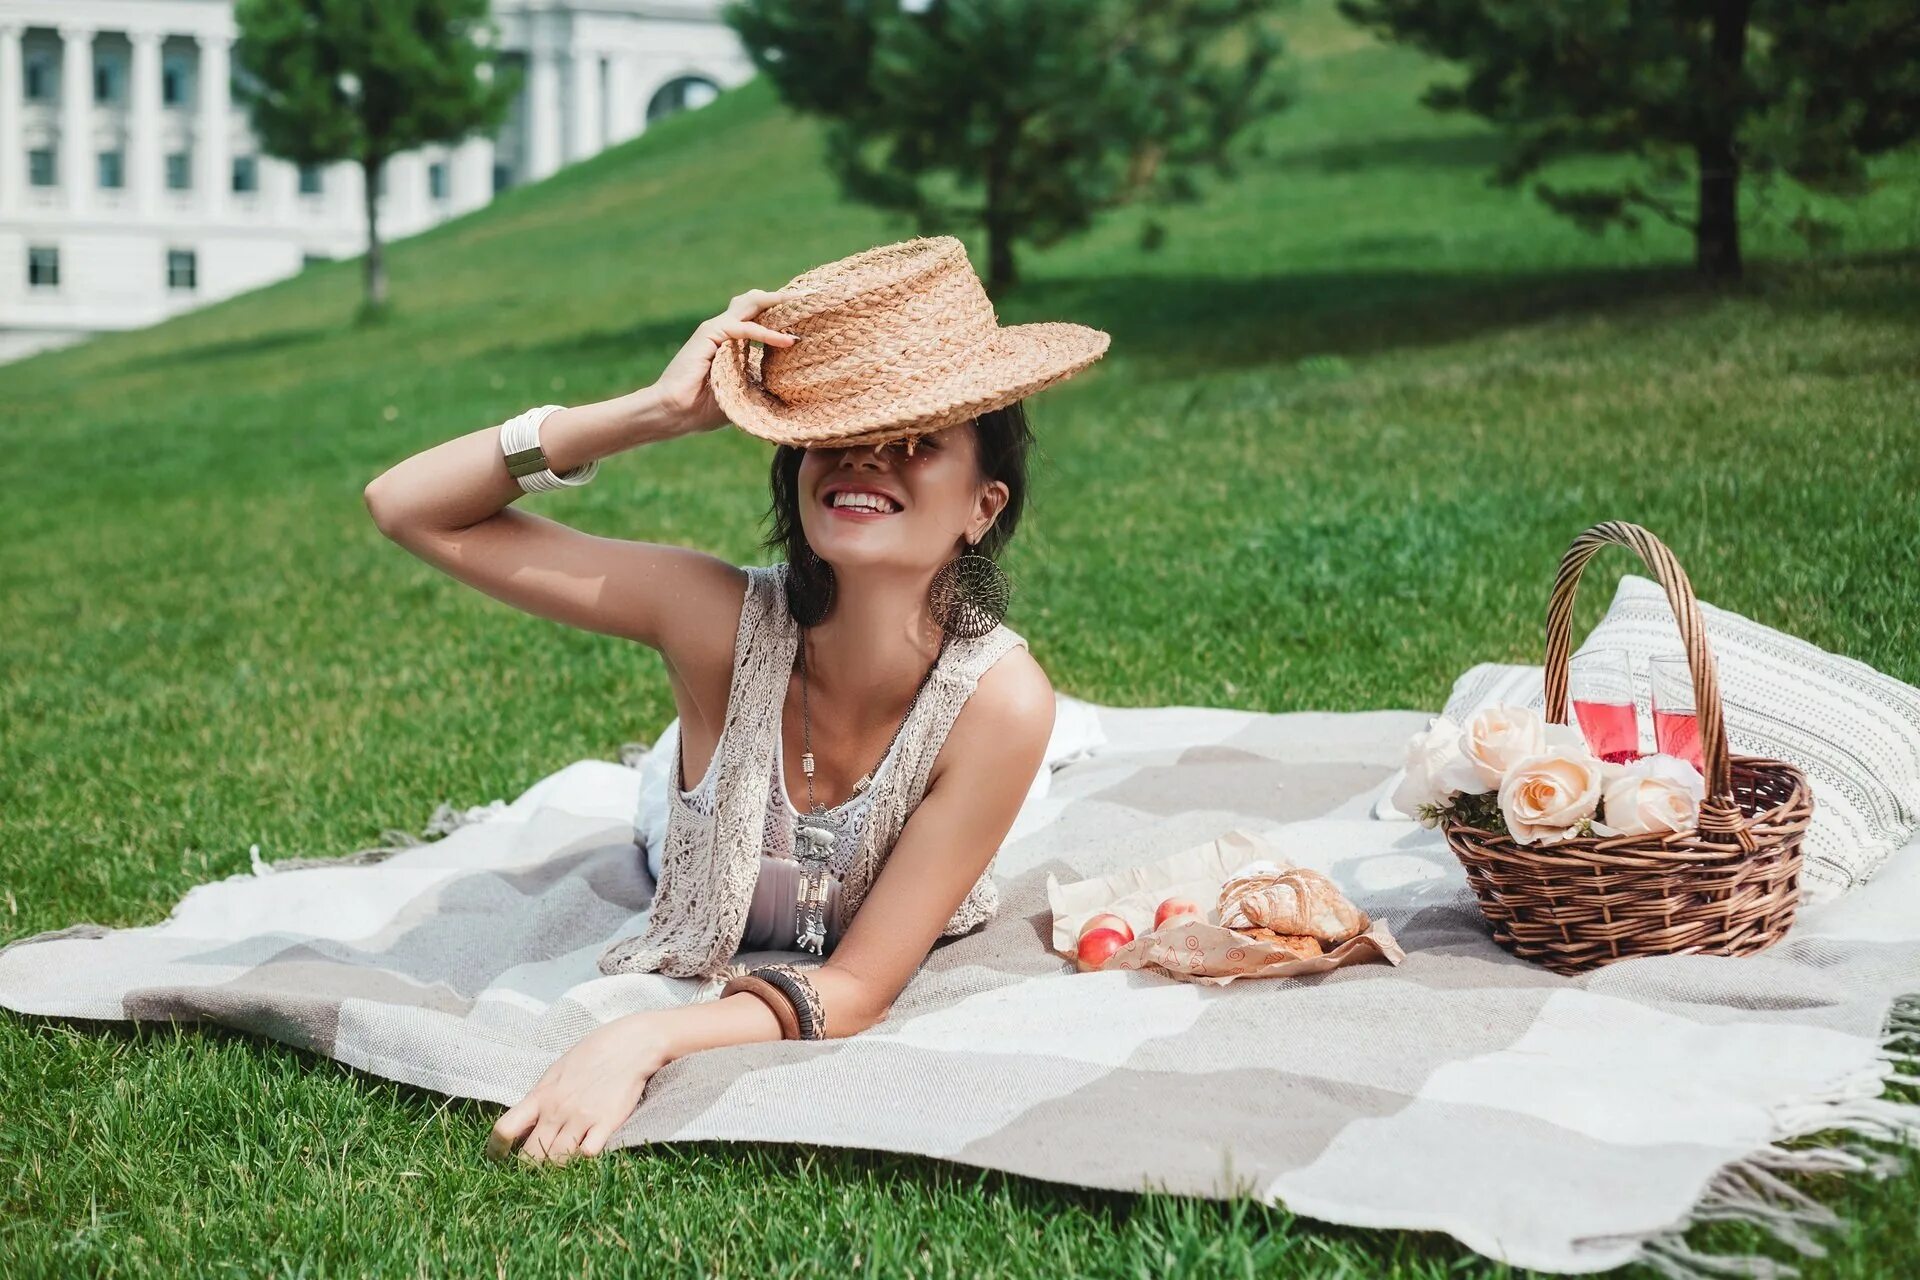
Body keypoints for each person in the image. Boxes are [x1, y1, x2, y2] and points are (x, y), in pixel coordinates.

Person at [361, 236, 1109, 1165]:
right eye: (831, 437)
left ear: (982, 507)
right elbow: (405, 505)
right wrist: (644, 415)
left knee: (1042, 744)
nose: (864, 459)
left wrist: (640, 1037)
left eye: (916, 442)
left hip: (958, 742)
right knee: (656, 801)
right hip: (700, 807)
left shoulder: (999, 705)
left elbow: (860, 987)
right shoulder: (711, 619)